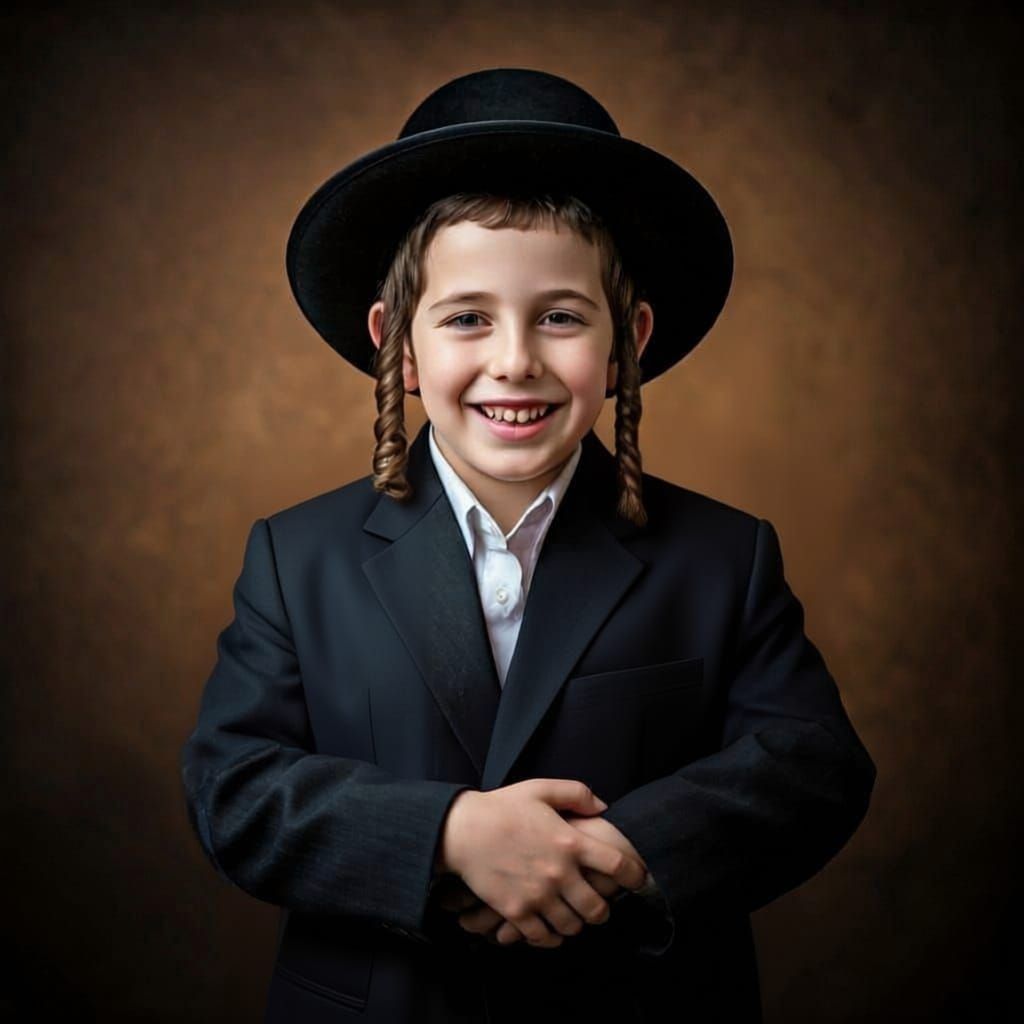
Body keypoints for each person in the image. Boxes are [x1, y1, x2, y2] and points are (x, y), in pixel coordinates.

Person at [180, 67, 876, 1023]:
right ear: (400, 346)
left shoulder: (723, 556)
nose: (515, 360)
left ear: (627, 341)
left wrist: (620, 851)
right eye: (468, 318)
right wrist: (449, 834)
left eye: (560, 317)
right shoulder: (295, 560)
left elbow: (812, 764)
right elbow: (234, 787)